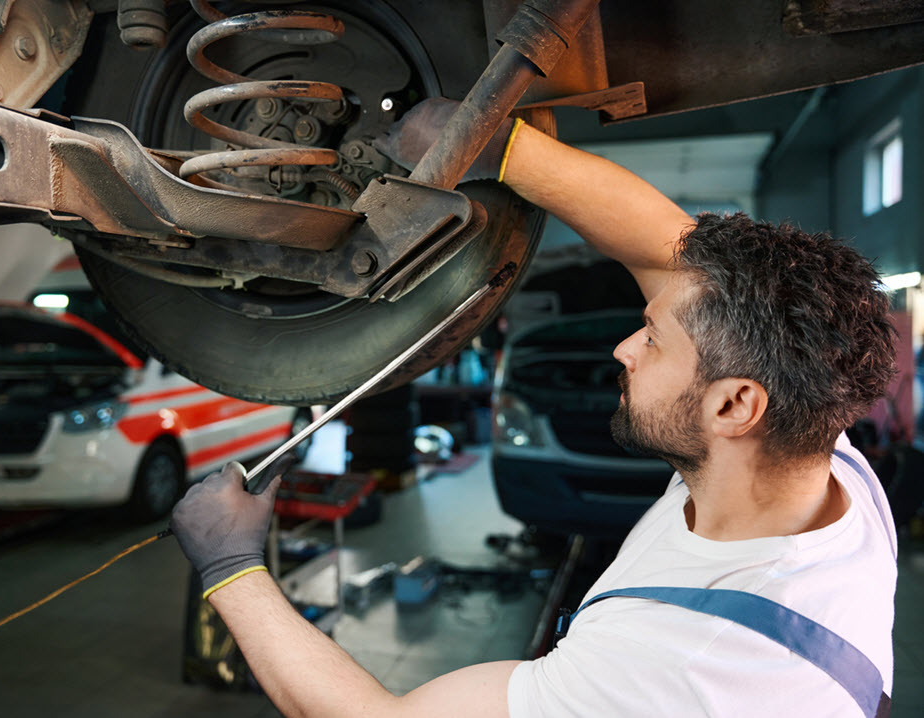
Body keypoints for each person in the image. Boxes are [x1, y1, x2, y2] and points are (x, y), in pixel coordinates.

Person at [171, 99, 899, 717]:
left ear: (735, 405)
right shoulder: (819, 460)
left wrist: (232, 569)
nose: (623, 349)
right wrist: (504, 147)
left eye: (651, 337)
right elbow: (666, 249)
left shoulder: (681, 669)